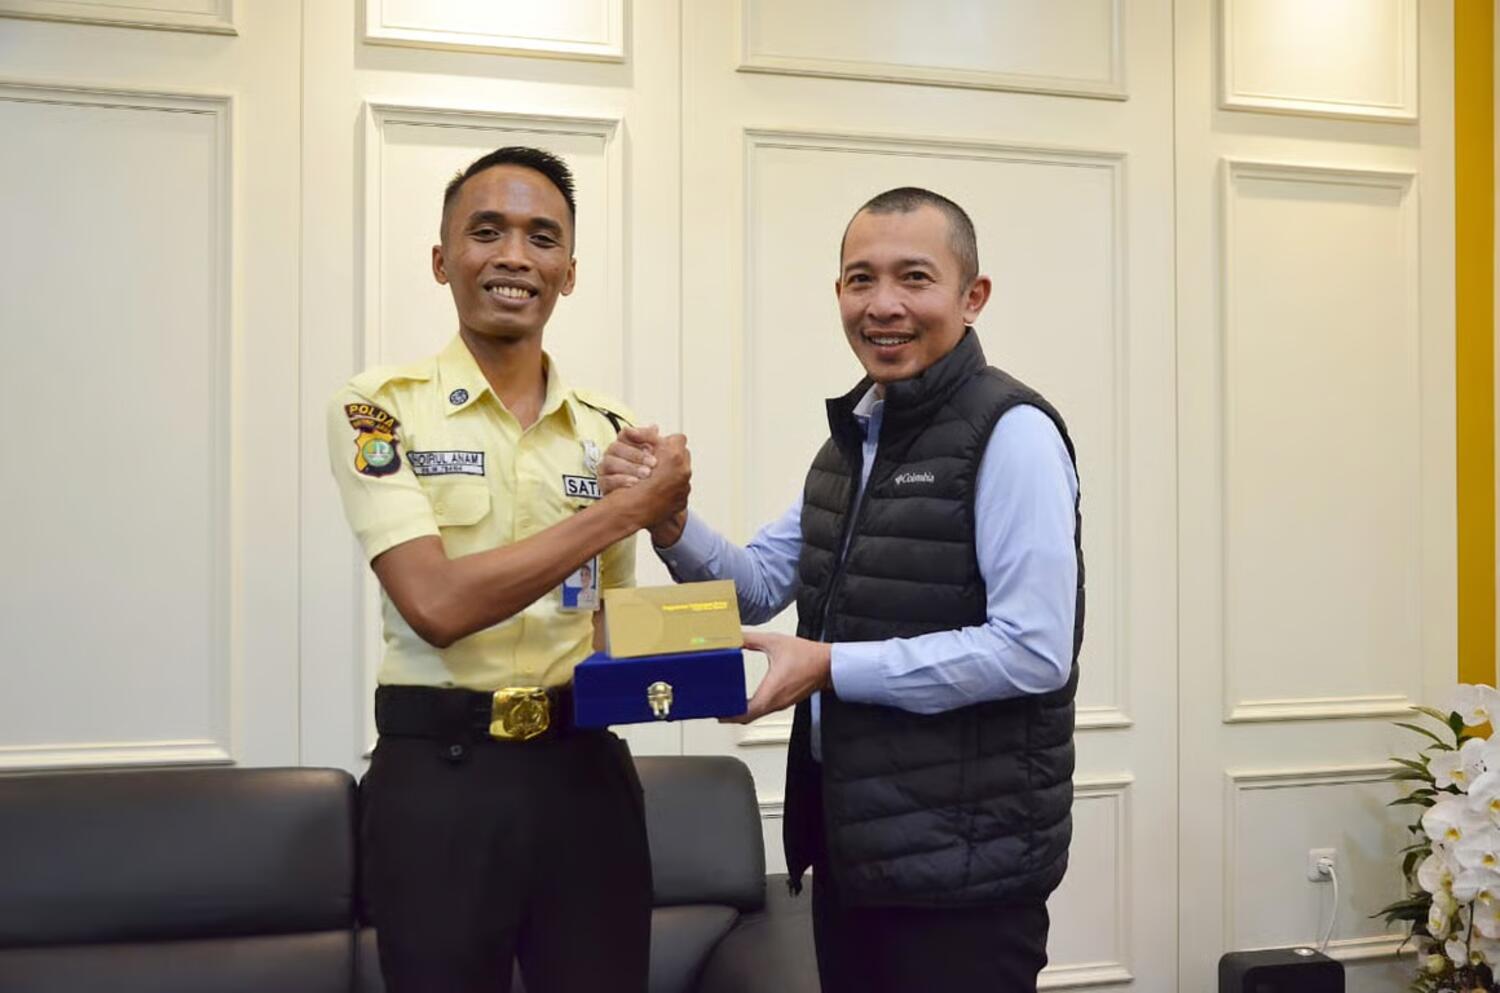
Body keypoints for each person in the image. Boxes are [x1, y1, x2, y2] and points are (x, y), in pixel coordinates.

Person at [602, 187, 1082, 993]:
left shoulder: (1014, 432)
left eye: (914, 278)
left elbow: (1033, 650)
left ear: (973, 296)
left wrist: (829, 666)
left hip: (964, 880)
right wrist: (669, 520)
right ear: (838, 293)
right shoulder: (850, 445)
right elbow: (757, 588)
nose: (883, 304)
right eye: (862, 279)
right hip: (853, 857)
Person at [327, 146, 689, 993]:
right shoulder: (378, 407)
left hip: (584, 773)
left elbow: (612, 632)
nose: (515, 256)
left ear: (570, 272)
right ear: (441, 258)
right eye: (486, 232)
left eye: (542, 237)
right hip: (439, 777)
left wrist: (685, 563)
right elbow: (435, 603)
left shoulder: (612, 429)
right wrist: (624, 511)